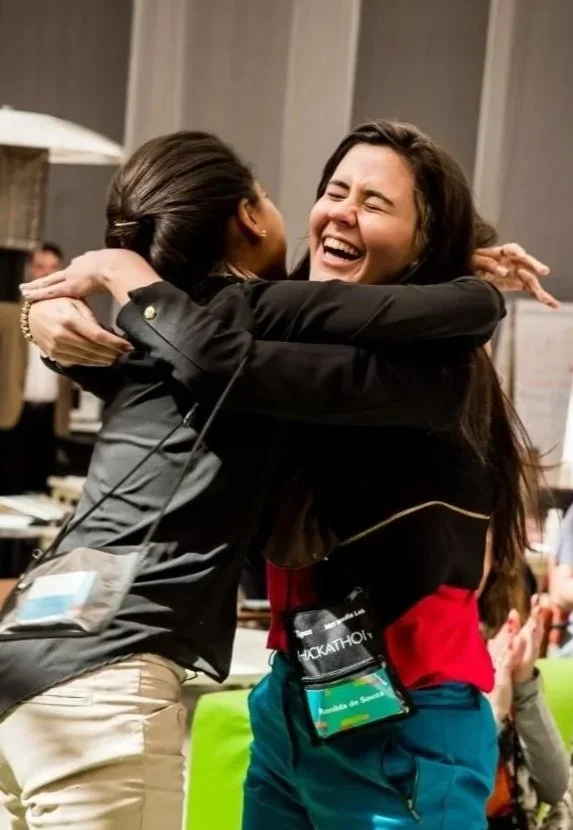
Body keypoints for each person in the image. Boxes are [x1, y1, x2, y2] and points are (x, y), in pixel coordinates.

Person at [22, 121, 553, 829]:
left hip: (405, 717)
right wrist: (47, 313)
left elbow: (214, 357)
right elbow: (172, 365)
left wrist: (125, 286)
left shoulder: (430, 370)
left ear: (424, 243)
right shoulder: (274, 327)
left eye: (374, 202)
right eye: (335, 190)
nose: (341, 211)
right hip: (291, 707)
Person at [479, 540, 569, 828]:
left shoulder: (506, 654)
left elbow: (554, 787)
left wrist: (525, 685)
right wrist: (495, 713)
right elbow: (449, 798)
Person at [0, 243, 72, 495]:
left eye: (52, 268)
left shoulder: (69, 315)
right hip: (12, 415)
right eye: (40, 266)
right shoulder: (7, 315)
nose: (45, 273)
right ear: (30, 270)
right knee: (9, 490)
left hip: (49, 418)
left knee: (42, 490)